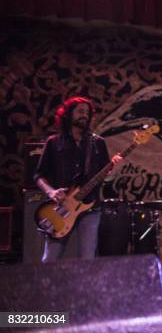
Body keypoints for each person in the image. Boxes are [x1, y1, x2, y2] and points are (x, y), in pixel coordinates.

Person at [35, 96, 121, 262]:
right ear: (68, 114)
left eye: (87, 113)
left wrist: (112, 171)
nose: (85, 115)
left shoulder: (98, 143)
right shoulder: (54, 143)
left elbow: (106, 178)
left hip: (89, 209)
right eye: (80, 111)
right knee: (49, 261)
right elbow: (38, 175)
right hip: (59, 207)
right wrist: (51, 191)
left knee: (86, 261)